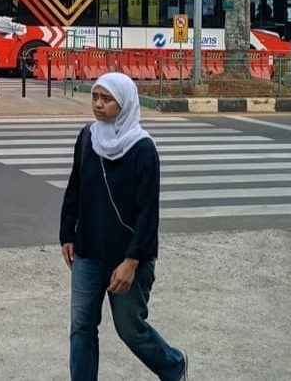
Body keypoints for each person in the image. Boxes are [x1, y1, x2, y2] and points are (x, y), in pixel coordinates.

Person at [59, 71, 188, 381]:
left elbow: (148, 213)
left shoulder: (143, 149)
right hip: (88, 252)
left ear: (125, 104)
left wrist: (132, 261)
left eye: (107, 99)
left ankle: (173, 365)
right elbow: (75, 186)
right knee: (82, 327)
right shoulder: (88, 137)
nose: (98, 105)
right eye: (95, 97)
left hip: (128, 257)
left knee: (131, 329)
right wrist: (66, 232)